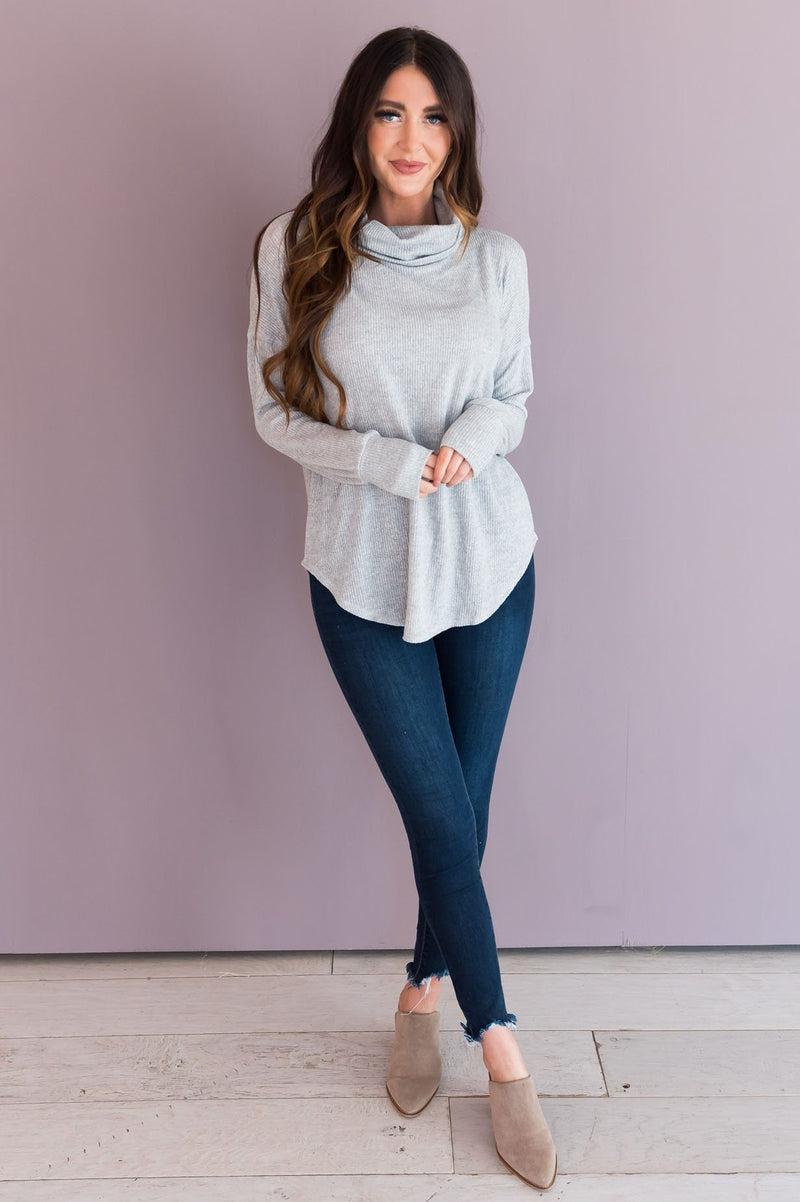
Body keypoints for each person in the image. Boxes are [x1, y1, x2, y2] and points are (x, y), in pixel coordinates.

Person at [246, 25, 557, 1192]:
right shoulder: (294, 246)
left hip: (490, 564)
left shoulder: (497, 260)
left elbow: (513, 393)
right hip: (363, 574)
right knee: (439, 814)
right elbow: (272, 411)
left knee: (457, 820)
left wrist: (471, 435)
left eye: (432, 116)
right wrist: (386, 462)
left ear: (457, 134)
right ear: (358, 125)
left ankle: (421, 991)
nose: (410, 138)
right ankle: (504, 1048)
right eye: (389, 112)